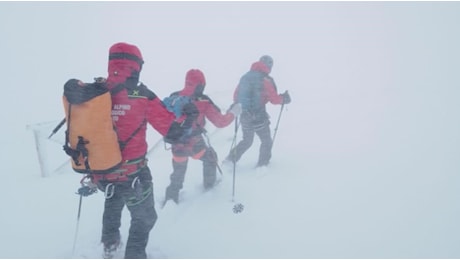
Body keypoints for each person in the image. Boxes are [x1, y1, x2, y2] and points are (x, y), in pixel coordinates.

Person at [90, 42, 197, 259]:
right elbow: (172, 132)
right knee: (145, 217)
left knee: (113, 201)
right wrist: (189, 117)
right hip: (133, 173)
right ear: (136, 66)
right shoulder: (142, 95)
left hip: (103, 170)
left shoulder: (96, 92)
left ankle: (109, 246)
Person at [164, 69, 241, 204]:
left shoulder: (174, 96)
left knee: (178, 171)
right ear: (201, 84)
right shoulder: (203, 100)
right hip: (195, 143)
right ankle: (209, 187)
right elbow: (220, 122)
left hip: (177, 143)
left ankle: (171, 197)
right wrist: (233, 113)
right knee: (210, 158)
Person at [225, 55, 291, 167]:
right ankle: (263, 164)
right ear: (269, 66)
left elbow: (236, 96)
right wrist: (284, 99)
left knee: (247, 140)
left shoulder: (245, 77)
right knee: (266, 141)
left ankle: (230, 159)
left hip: (244, 115)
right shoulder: (265, 79)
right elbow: (274, 99)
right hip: (258, 115)